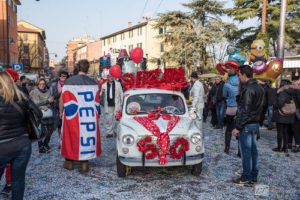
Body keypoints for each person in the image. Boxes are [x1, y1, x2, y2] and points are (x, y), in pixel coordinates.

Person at [0, 72, 40, 200]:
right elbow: (38, 113)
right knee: (18, 180)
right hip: (22, 144)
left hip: (2, 146)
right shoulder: (22, 97)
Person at [59, 59, 101, 173]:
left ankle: (70, 162)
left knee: (71, 136)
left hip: (73, 115)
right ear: (88, 69)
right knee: (86, 135)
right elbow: (97, 103)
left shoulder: (68, 82)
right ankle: (84, 163)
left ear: (77, 67)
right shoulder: (94, 83)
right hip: (89, 116)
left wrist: (60, 112)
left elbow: (63, 99)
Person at [232, 65, 264, 186]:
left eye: (239, 74)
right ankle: (253, 176)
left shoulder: (249, 89)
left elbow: (244, 110)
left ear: (244, 74)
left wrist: (238, 127)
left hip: (247, 125)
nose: (238, 77)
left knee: (247, 152)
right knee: (253, 151)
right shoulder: (259, 88)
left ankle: (246, 177)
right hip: (254, 124)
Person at [272, 79, 300, 153]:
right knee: (286, 132)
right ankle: (285, 147)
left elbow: (280, 104)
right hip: (290, 114)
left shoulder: (283, 92)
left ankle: (280, 147)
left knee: (280, 132)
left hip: (282, 115)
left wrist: (275, 104)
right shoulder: (293, 91)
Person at [30, 78, 55, 153]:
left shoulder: (48, 91)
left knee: (51, 129)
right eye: (40, 84)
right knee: (41, 130)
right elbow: (36, 103)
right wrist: (47, 101)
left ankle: (45, 143)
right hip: (39, 113)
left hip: (48, 112)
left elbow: (51, 100)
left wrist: (52, 101)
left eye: (43, 84)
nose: (42, 85)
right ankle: (41, 147)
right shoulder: (35, 92)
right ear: (37, 84)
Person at [101, 72, 123, 137]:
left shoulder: (118, 84)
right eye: (110, 76)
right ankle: (109, 132)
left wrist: (122, 103)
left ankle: (116, 131)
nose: (111, 78)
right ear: (107, 77)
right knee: (108, 119)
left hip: (116, 104)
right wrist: (101, 92)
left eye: (112, 76)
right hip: (108, 105)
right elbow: (100, 96)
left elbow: (121, 94)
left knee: (116, 119)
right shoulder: (104, 85)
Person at [222, 69, 239, 154]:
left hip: (231, 107)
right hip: (239, 108)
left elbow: (224, 95)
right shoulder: (241, 82)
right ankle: (240, 151)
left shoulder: (227, 84)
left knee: (228, 128)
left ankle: (227, 148)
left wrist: (229, 100)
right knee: (240, 129)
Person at [50, 70, 69, 142]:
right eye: (61, 76)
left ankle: (66, 140)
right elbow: (52, 97)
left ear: (67, 77)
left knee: (67, 125)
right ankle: (61, 141)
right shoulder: (54, 85)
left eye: (64, 76)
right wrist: (59, 91)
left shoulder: (69, 85)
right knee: (59, 125)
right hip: (57, 107)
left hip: (67, 107)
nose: (62, 77)